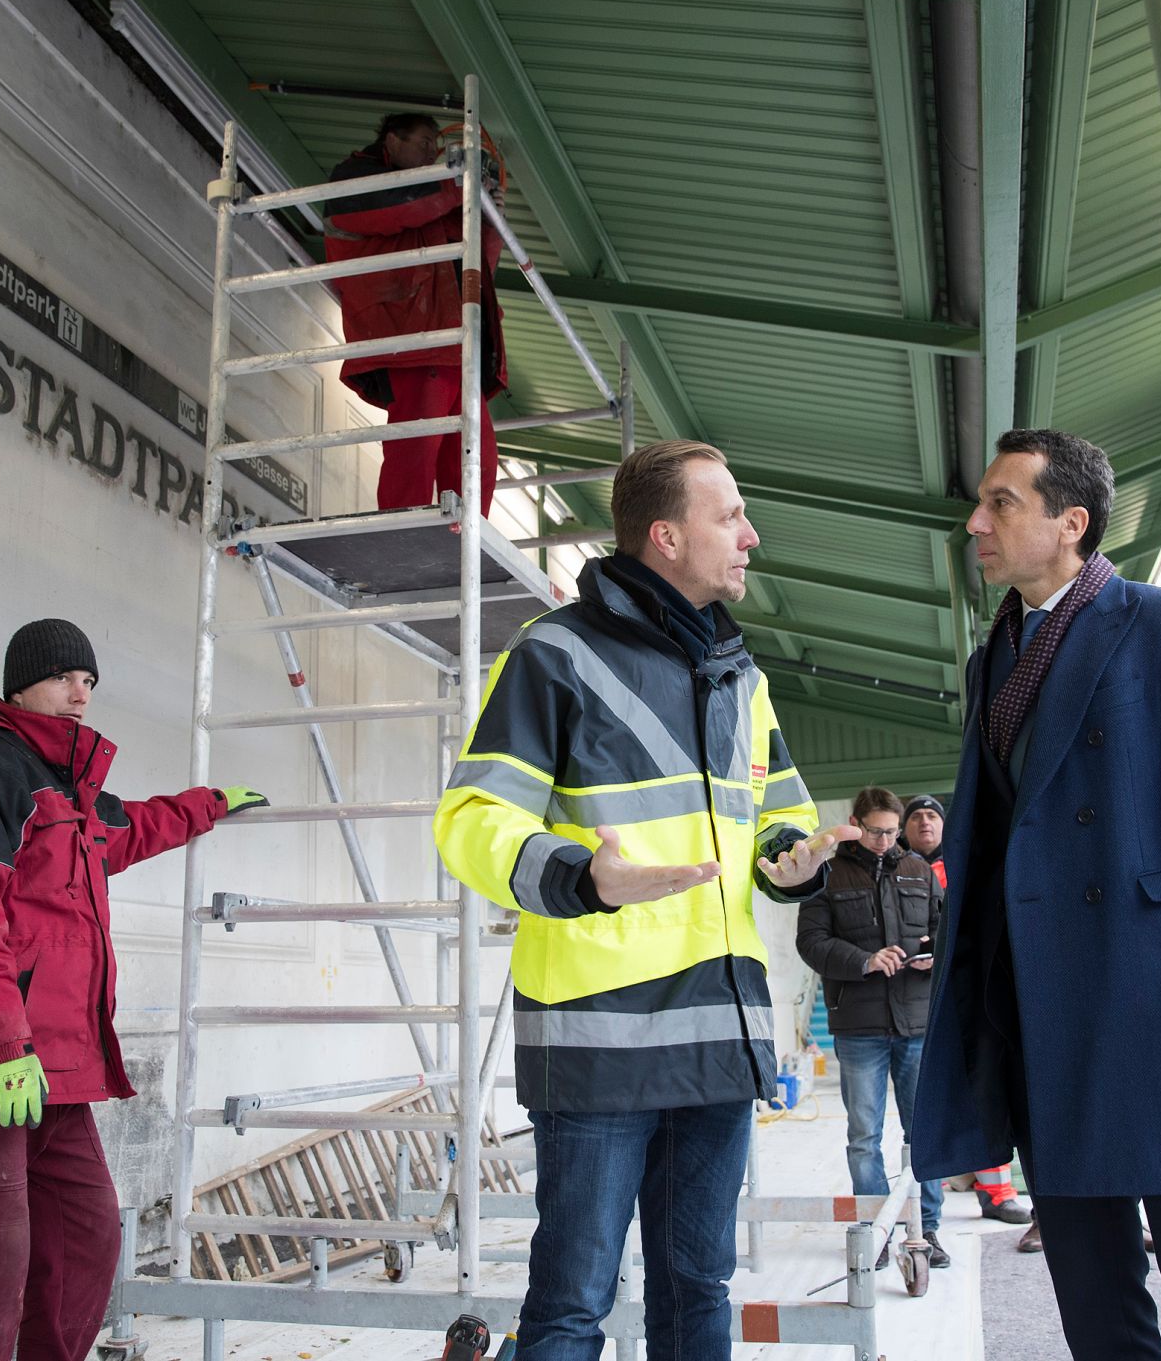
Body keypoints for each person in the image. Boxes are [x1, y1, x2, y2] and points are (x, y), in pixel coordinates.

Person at [434, 440, 854, 1360]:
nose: (752, 534)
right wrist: (579, 874)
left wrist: (791, 857)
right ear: (666, 536)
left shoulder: (745, 679)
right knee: (573, 1304)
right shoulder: (555, 655)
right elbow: (469, 819)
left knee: (699, 1289)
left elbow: (778, 813)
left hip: (716, 1037)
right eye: (729, 515)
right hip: (600, 1041)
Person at [912, 429, 1161, 1360]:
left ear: (1071, 522)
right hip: (1044, 1018)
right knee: (1093, 1300)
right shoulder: (992, 659)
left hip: (1159, 1011)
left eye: (1003, 502)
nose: (977, 523)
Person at [0, 619, 268, 1361]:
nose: (82, 693)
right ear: (22, 682)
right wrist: (3, 1046)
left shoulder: (69, 791)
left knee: (86, 1238)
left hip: (57, 1079)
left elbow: (130, 828)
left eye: (91, 682)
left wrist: (210, 802)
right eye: (68, 676)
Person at [796, 787, 950, 1271]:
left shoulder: (919, 871)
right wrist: (864, 961)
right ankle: (875, 1230)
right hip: (858, 1023)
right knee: (864, 1135)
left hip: (916, 1019)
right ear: (855, 822)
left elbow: (945, 927)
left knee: (921, 1130)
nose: (883, 840)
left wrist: (933, 955)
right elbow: (810, 942)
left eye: (890, 831)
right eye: (874, 830)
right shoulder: (827, 875)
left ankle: (926, 1230)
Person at [325, 112, 508, 514]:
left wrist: (488, 219)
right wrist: (456, 187)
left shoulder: (435, 201)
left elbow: (478, 268)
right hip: (411, 340)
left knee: (476, 454)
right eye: (424, 142)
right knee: (417, 446)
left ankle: (466, 537)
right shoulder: (358, 179)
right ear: (391, 142)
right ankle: (401, 526)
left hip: (451, 342)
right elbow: (396, 208)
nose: (433, 152)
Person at [901, 792, 1034, 1234]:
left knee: (994, 1094)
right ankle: (935, 1211)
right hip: (916, 1004)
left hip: (976, 992)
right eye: (915, 816)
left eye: (932, 816)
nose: (925, 823)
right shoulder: (899, 869)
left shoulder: (963, 862)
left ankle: (1001, 1194)